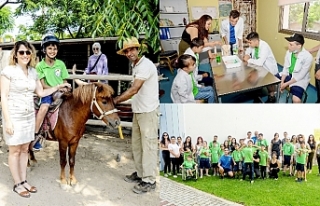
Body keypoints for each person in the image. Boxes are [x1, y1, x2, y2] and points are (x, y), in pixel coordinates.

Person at [1, 40, 70, 198]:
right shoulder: (8, 71)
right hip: (14, 114)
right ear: (15, 55)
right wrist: (8, 121)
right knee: (15, 150)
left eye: (27, 52)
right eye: (21, 52)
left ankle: (24, 180)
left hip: (28, 117)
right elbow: (3, 97)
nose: (25, 55)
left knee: (25, 149)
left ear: (31, 54)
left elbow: (41, 93)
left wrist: (58, 87)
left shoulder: (33, 72)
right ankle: (17, 183)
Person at [115, 37, 159, 194]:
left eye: (132, 49)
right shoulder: (137, 65)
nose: (129, 53)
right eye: (126, 51)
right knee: (137, 146)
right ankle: (141, 174)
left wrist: (115, 100)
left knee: (148, 146)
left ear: (138, 49)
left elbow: (134, 89)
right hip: (139, 110)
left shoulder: (145, 65)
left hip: (148, 111)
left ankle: (149, 180)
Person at [33, 34, 70, 151]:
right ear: (44, 49)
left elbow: (65, 80)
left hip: (60, 92)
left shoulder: (61, 64)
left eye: (55, 48)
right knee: (44, 107)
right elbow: (43, 85)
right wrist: (57, 87)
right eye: (49, 48)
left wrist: (65, 87)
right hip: (47, 93)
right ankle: (36, 134)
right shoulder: (40, 66)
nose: (52, 51)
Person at [276, 33, 313, 103]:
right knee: (272, 81)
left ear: (299, 46)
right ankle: (271, 97)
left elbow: (300, 76)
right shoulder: (289, 52)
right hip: (288, 75)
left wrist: (285, 84)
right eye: (289, 43)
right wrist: (282, 81)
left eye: (291, 44)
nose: (288, 46)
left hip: (299, 79)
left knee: (296, 100)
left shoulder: (308, 57)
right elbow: (285, 68)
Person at [243, 32, 279, 103]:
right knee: (252, 76)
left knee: (269, 84)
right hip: (260, 68)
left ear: (256, 41)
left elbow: (260, 62)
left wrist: (248, 59)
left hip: (269, 70)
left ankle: (272, 97)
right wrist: (247, 54)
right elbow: (248, 51)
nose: (249, 45)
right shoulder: (253, 45)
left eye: (250, 43)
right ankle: (257, 93)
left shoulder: (264, 46)